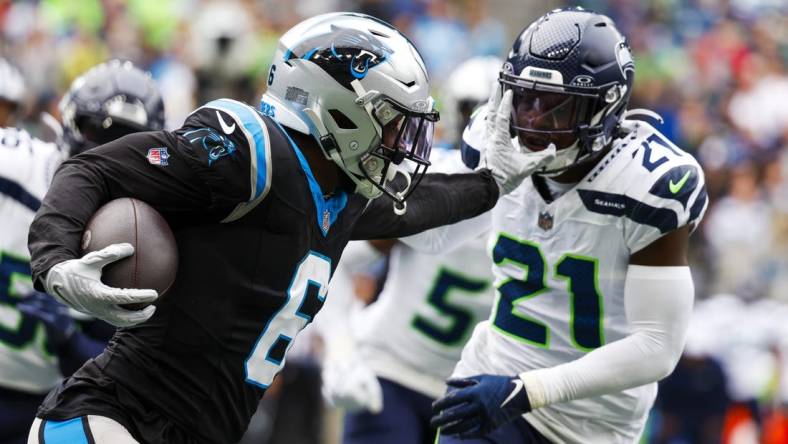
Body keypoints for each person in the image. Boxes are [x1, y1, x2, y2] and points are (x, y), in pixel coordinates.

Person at [25, 13, 554, 444]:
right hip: (112, 419)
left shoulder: (341, 195)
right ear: (341, 109)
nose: (400, 143)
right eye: (393, 122)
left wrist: (491, 182)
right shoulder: (247, 153)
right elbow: (91, 168)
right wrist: (54, 261)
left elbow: (419, 207)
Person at [427, 7, 709, 443]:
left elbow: (658, 346)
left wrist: (530, 391)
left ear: (605, 108)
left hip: (596, 424)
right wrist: (487, 184)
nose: (534, 121)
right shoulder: (492, 143)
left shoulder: (650, 183)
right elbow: (430, 240)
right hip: (492, 379)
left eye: (556, 109)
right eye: (525, 99)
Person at [321, 56, 501, 444]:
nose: (488, 128)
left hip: (471, 392)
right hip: (392, 372)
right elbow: (332, 261)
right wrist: (340, 350)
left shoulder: (536, 205)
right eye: (476, 112)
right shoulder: (433, 180)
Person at [0, 60, 164, 444]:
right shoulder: (15, 165)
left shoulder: (144, 238)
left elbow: (126, 375)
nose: (109, 153)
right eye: (99, 132)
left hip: (42, 407)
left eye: (129, 140)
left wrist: (70, 340)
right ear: (71, 123)